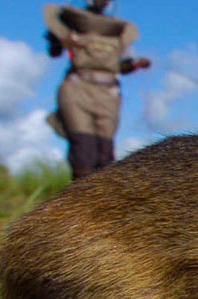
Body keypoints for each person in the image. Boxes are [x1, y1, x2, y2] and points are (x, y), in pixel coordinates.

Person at [43, 0, 150, 180]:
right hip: (78, 90)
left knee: (105, 155)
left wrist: (136, 64)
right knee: (83, 150)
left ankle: (103, 204)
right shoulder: (71, 23)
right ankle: (77, 202)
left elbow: (121, 67)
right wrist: (60, 38)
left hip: (108, 95)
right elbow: (54, 52)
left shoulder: (116, 32)